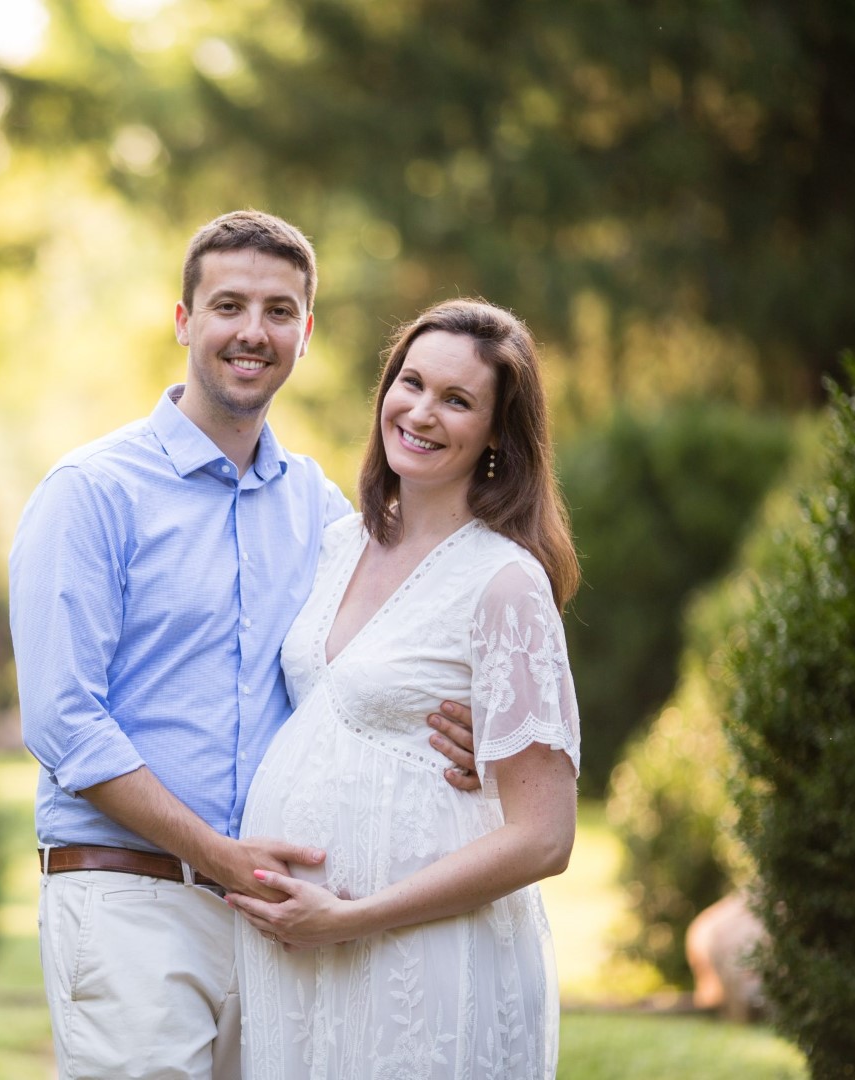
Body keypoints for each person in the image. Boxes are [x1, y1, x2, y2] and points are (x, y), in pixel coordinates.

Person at [9, 211, 483, 1080]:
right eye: (228, 305)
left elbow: (362, 680)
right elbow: (65, 721)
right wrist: (217, 853)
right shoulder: (93, 494)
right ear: (184, 320)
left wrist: (465, 730)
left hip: (274, 918)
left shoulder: (322, 512)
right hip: (128, 900)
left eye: (278, 310)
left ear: (307, 332)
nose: (252, 332)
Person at [228, 298, 582, 1079]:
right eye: (411, 382)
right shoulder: (338, 543)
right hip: (300, 951)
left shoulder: (503, 581)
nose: (421, 412)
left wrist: (352, 918)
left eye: (458, 400)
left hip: (421, 953)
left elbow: (546, 835)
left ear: (498, 435)